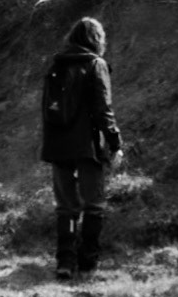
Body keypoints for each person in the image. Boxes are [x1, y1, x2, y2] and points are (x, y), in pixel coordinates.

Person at [39, 16, 123, 279]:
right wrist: (115, 143)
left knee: (66, 207)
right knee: (94, 204)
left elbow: (45, 109)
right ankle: (88, 262)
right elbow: (103, 109)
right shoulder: (95, 65)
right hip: (87, 145)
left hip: (58, 145)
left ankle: (64, 262)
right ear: (97, 40)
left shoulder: (56, 65)